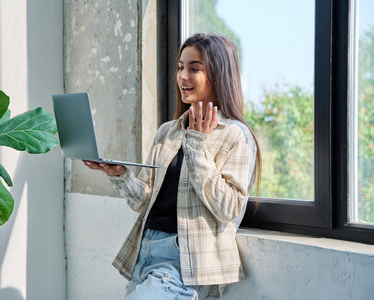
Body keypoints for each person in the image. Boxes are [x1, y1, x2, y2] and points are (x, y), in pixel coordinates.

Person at [83, 33, 262, 299]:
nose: (183, 76)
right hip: (145, 251)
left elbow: (229, 208)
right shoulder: (168, 131)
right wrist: (120, 176)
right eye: (180, 67)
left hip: (183, 262)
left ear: (219, 73)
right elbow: (144, 201)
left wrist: (198, 144)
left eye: (194, 68)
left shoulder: (234, 135)